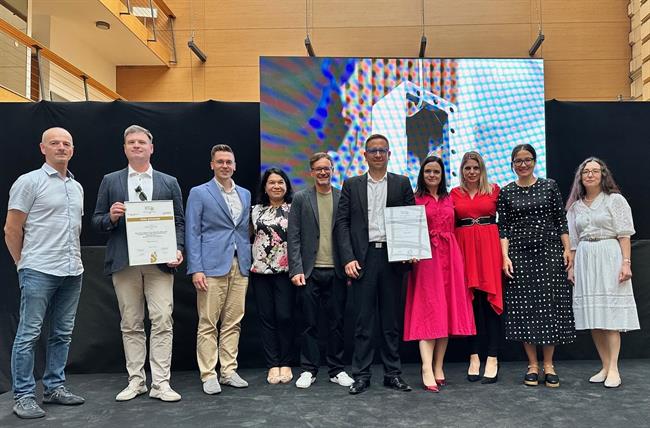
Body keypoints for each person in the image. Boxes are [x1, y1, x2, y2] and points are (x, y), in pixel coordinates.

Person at [92, 125, 185, 402]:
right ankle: (136, 381)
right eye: (131, 142)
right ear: (124, 148)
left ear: (151, 148)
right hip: (125, 262)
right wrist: (110, 216)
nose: (136, 146)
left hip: (159, 263)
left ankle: (161, 383)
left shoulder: (169, 182)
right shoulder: (111, 181)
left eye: (141, 142)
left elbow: (178, 221)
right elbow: (96, 221)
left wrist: (178, 248)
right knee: (131, 322)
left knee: (162, 320)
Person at [4, 127, 85, 419]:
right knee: (29, 334)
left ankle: (54, 388)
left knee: (62, 334)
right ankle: (24, 395)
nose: (61, 147)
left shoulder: (76, 187)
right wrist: (22, 264)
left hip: (72, 270)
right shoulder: (29, 182)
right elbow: (12, 228)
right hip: (38, 269)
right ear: (43, 148)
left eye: (66, 143)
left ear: (72, 150)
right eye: (55, 143)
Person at [334, 133, 415, 395]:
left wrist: (411, 248)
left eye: (382, 150)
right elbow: (342, 224)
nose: (378, 154)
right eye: (373, 150)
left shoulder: (402, 183)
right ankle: (362, 375)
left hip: (393, 259)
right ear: (365, 155)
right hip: (362, 259)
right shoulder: (352, 184)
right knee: (362, 322)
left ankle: (393, 374)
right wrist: (347, 258)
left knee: (391, 321)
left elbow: (409, 220)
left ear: (389, 154)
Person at [497, 144, 575, 388]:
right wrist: (505, 257)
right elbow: (504, 228)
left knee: (549, 307)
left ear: (534, 161)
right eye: (518, 161)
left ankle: (549, 364)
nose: (523, 164)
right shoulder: (506, 192)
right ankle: (532, 365)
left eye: (527, 160)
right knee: (524, 310)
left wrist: (567, 248)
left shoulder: (549, 186)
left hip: (549, 252)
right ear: (512, 164)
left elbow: (560, 220)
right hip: (519, 255)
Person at [404, 155, 475, 393]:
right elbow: (407, 231)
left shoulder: (451, 197)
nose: (432, 175)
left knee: (446, 310)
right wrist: (410, 250)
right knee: (429, 310)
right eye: (428, 172)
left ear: (443, 174)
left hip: (451, 256)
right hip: (425, 258)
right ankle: (426, 367)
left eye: (436, 172)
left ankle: (438, 366)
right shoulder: (414, 199)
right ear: (422, 175)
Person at [566, 157, 639, 388]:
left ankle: (615, 368)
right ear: (580, 177)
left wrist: (626, 263)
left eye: (594, 171)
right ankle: (605, 366)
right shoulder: (575, 206)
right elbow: (574, 242)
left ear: (603, 174)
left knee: (610, 317)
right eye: (585, 171)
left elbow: (625, 234)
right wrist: (571, 267)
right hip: (586, 259)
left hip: (609, 255)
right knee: (594, 317)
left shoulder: (614, 200)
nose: (589, 175)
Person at [185, 144, 251, 395]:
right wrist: (196, 269)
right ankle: (209, 374)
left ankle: (228, 370)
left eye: (229, 162)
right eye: (220, 161)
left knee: (234, 321)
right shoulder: (200, 193)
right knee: (208, 322)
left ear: (234, 165)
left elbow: (242, 230)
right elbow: (193, 231)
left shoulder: (244, 194)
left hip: (240, 263)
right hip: (210, 266)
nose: (225, 165)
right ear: (212, 164)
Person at [288, 153, 354, 389]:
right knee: (309, 323)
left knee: (336, 323)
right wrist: (296, 269)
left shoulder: (342, 197)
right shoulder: (301, 198)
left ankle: (337, 370)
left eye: (327, 168)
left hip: (336, 271)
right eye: (318, 169)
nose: (323, 172)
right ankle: (309, 370)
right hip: (308, 272)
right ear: (311, 171)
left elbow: (349, 234)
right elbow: (293, 236)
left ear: (332, 170)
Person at [450, 151, 503, 384]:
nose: (471, 172)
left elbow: (507, 223)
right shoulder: (454, 193)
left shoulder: (494, 190)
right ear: (461, 170)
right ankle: (474, 356)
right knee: (470, 306)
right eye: (467, 168)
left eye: (475, 168)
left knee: (490, 305)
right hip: (463, 251)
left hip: (489, 249)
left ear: (481, 170)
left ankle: (492, 357)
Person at [250, 167, 295, 384]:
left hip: (287, 272)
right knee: (266, 319)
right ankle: (273, 365)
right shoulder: (255, 210)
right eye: (271, 182)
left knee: (285, 317)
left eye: (280, 182)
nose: (276, 186)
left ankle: (286, 362)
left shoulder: (295, 208)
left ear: (286, 186)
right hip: (260, 272)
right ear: (265, 187)